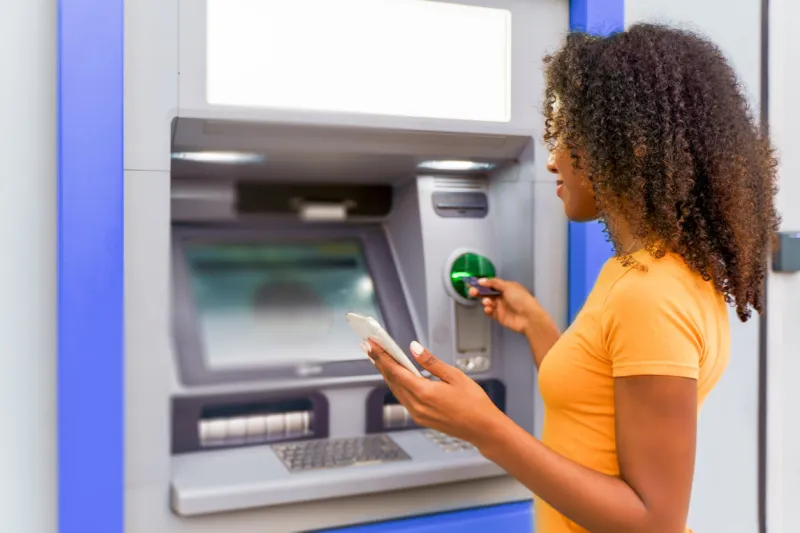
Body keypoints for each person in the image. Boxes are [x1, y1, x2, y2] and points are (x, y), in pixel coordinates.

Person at [360, 23, 780, 533]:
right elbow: (597, 403)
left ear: (632, 146)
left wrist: (484, 427)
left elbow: (654, 522)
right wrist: (536, 324)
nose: (552, 157)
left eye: (570, 135)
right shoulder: (644, 271)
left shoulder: (650, 294)